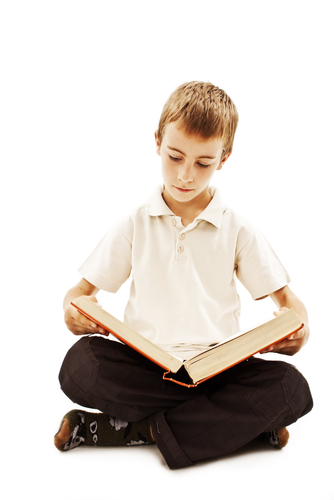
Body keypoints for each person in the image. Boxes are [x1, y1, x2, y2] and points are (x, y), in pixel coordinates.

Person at [54, 81, 313, 469]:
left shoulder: (236, 227)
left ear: (223, 159)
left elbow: (290, 304)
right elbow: (79, 292)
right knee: (80, 365)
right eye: (175, 156)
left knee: (292, 389)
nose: (186, 175)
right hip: (147, 368)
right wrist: (73, 311)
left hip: (220, 371)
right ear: (157, 141)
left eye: (203, 163)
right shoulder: (136, 222)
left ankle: (133, 430)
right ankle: (237, 427)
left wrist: (299, 332)